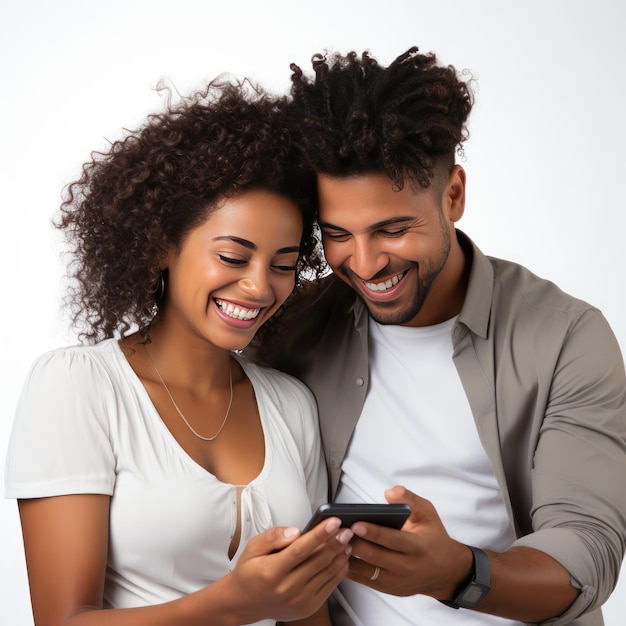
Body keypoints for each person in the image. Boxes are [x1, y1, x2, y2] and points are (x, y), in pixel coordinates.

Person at [248, 47, 626, 625]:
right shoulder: (295, 325)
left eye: (393, 229)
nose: (366, 263)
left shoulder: (566, 336)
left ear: (453, 195)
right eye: (338, 235)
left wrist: (456, 573)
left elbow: (588, 551)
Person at [4, 78, 355, 626]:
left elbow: (308, 615)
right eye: (233, 257)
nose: (260, 287)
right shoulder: (78, 387)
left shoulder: (291, 405)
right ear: (163, 245)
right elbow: (62, 621)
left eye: (283, 264)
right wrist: (234, 602)